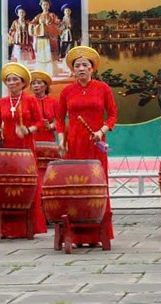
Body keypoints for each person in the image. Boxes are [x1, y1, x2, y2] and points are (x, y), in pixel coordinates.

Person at [56, 45, 117, 245]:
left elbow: (113, 116)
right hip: (74, 143)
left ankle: (99, 233)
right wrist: (61, 138)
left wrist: (102, 130)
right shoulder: (66, 91)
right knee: (75, 185)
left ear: (92, 68)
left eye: (85, 65)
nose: (81, 68)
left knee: (96, 184)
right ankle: (75, 233)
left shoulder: (103, 88)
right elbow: (59, 119)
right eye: (77, 65)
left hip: (96, 142)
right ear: (73, 70)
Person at [0, 62, 46, 237]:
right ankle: (9, 228)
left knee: (28, 183)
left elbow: (39, 123)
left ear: (23, 83)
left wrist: (28, 130)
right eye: (8, 80)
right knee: (9, 185)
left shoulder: (30, 100)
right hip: (8, 147)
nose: (11, 82)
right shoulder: (2, 102)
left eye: (15, 79)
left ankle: (30, 226)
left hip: (26, 146)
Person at [30, 0, 61, 73]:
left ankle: (51, 71)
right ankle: (42, 70)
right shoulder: (39, 16)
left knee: (50, 55)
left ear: (49, 6)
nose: (45, 6)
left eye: (47, 4)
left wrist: (50, 26)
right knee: (42, 55)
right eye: (44, 4)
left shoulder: (52, 15)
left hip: (50, 39)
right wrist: (41, 27)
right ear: (41, 6)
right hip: (41, 40)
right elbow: (31, 24)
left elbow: (58, 24)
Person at [30, 70, 58, 143]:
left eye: (39, 83)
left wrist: (50, 126)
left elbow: (59, 121)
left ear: (46, 86)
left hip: (49, 139)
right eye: (33, 83)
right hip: (30, 139)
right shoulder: (27, 101)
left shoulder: (54, 102)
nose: (36, 85)